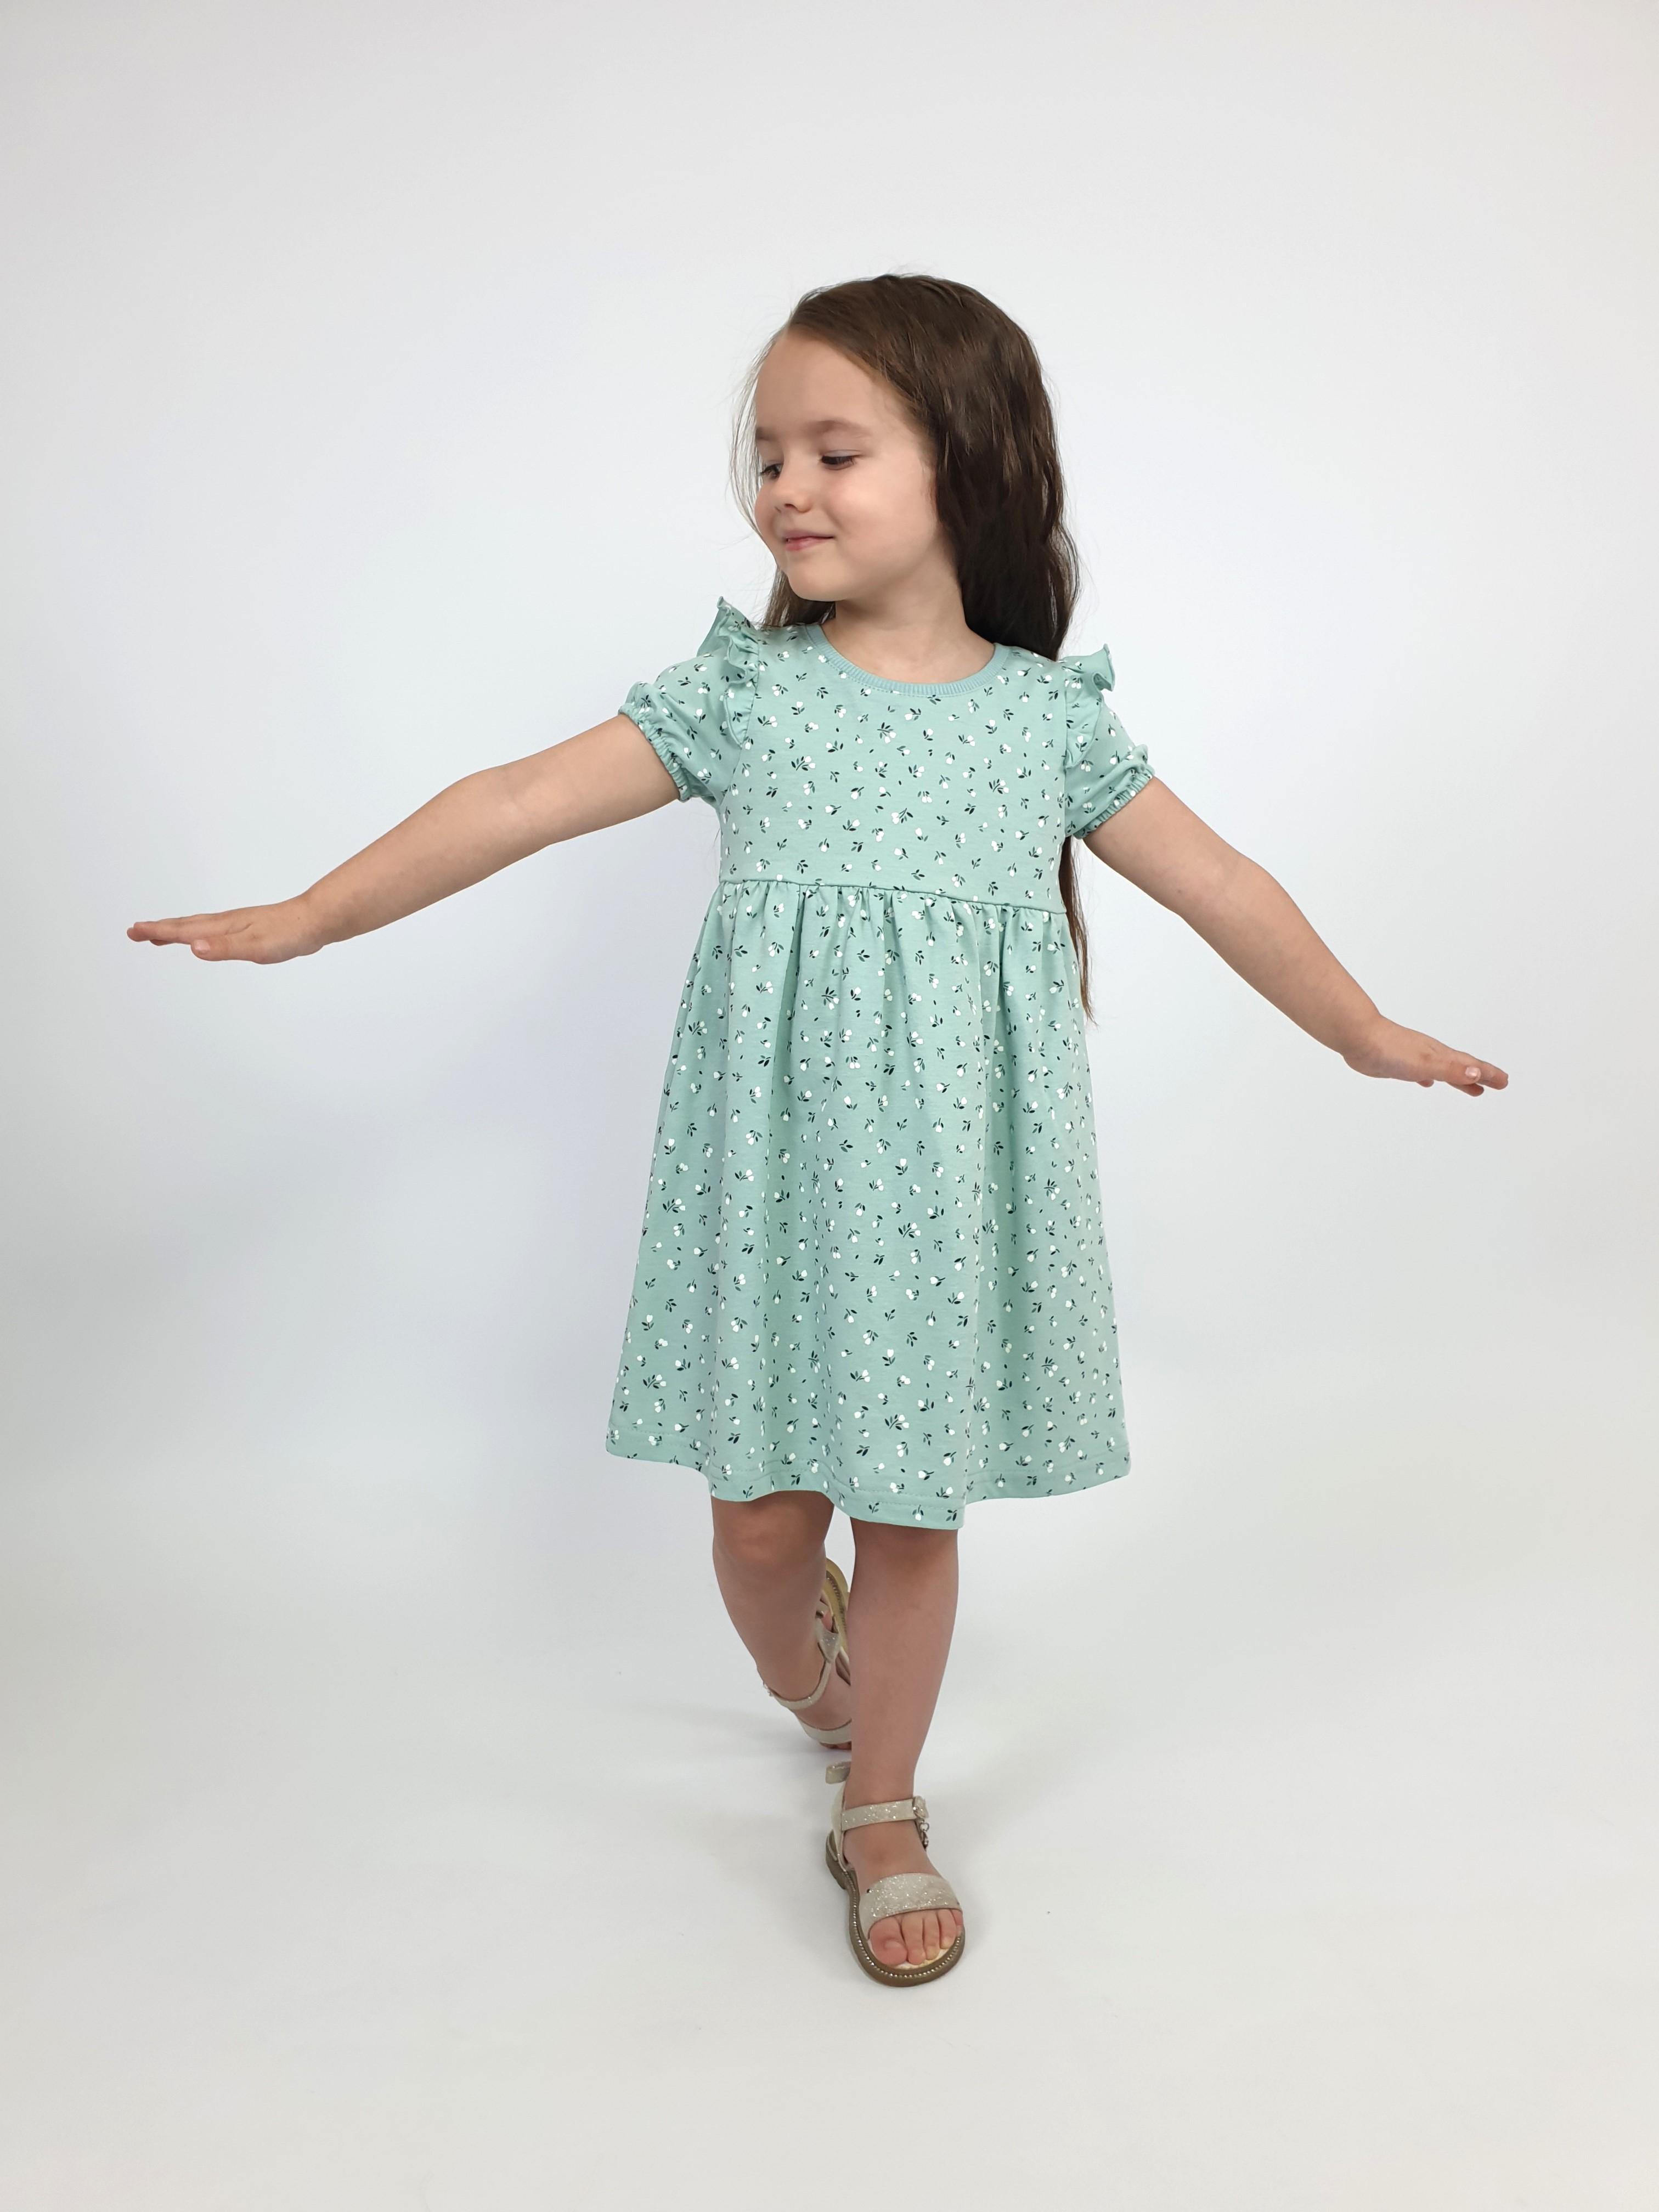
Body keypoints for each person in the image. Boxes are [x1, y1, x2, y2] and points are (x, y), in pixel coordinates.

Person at [128, 272, 1507, 1988]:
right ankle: (810, 1684)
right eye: (770, 455)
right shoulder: (749, 699)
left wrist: (1362, 1030)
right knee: (765, 1533)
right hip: (776, 1190)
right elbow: (516, 801)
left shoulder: (1046, 721)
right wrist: (313, 917)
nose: (786, 488)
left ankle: (883, 1809)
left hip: (949, 1201)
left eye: (834, 452)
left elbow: (1223, 884)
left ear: (969, 466)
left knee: (912, 1518)